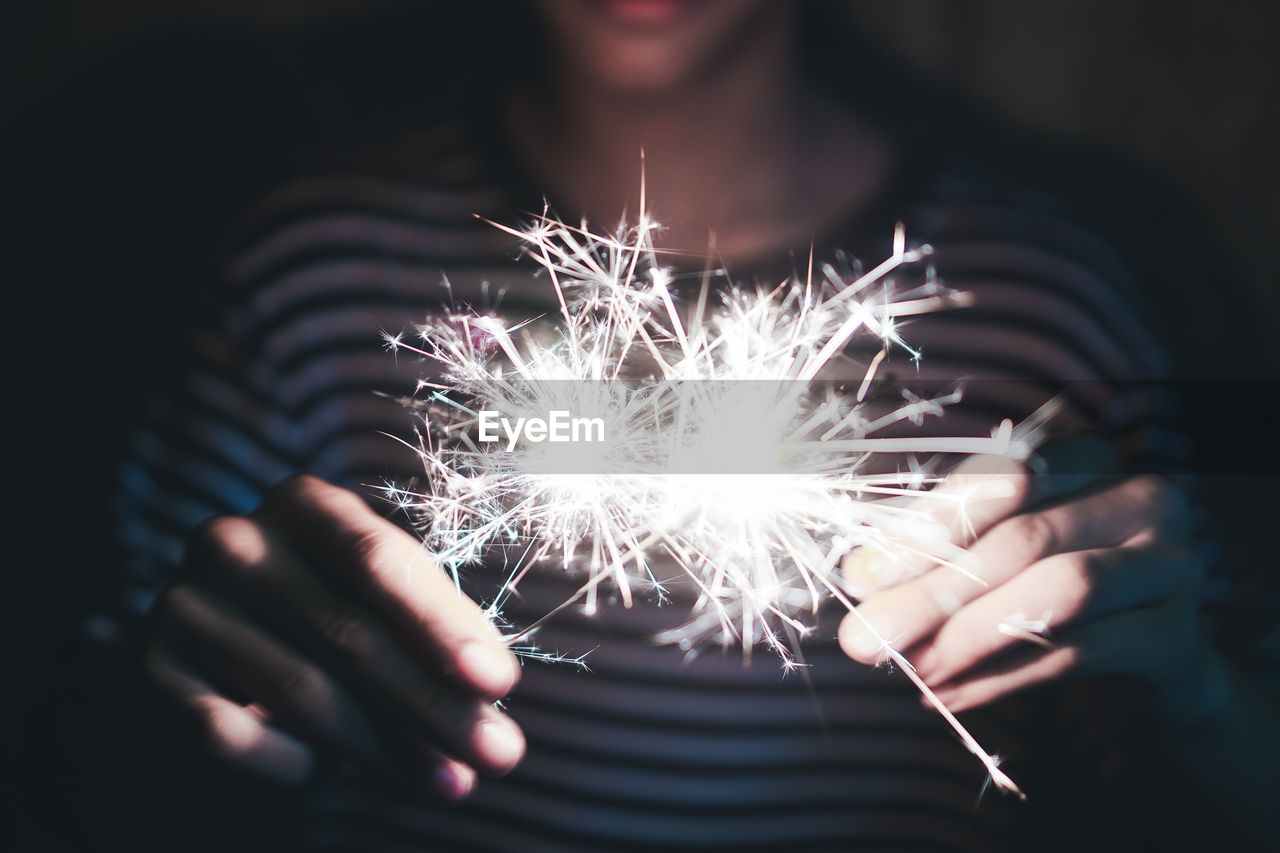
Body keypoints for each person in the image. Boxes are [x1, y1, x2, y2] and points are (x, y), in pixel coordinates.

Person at [113, 0, 1279, 848]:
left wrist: (1197, 700)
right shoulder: (308, 261)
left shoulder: (1049, 298)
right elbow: (97, 754)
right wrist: (175, 698)